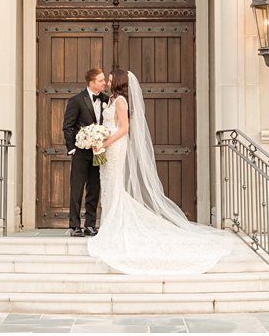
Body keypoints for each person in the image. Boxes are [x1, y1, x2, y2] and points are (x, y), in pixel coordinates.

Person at [86, 68, 237, 274]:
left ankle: (115, 226)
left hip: (115, 146)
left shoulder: (121, 101)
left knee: (114, 184)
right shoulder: (110, 100)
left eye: (111, 80)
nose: (108, 82)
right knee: (108, 184)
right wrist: (98, 139)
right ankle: (110, 224)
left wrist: (105, 141)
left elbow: (124, 129)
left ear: (118, 82)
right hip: (106, 147)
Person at [61, 67, 108, 237]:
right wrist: (72, 148)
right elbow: (68, 126)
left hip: (98, 151)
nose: (104, 83)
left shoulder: (106, 100)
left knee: (94, 188)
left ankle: (90, 224)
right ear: (92, 83)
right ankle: (74, 226)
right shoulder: (76, 100)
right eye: (101, 80)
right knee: (77, 188)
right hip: (80, 152)